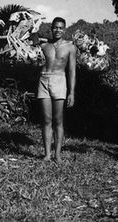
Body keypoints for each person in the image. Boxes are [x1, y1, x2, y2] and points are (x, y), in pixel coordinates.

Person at [36, 17, 76, 163]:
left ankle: (57, 155)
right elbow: (35, 60)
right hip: (43, 80)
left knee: (58, 120)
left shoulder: (70, 47)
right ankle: (47, 154)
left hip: (60, 81)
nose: (57, 30)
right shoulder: (44, 46)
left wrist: (71, 92)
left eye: (60, 28)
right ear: (51, 29)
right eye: (55, 27)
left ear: (64, 29)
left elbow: (72, 71)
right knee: (46, 119)